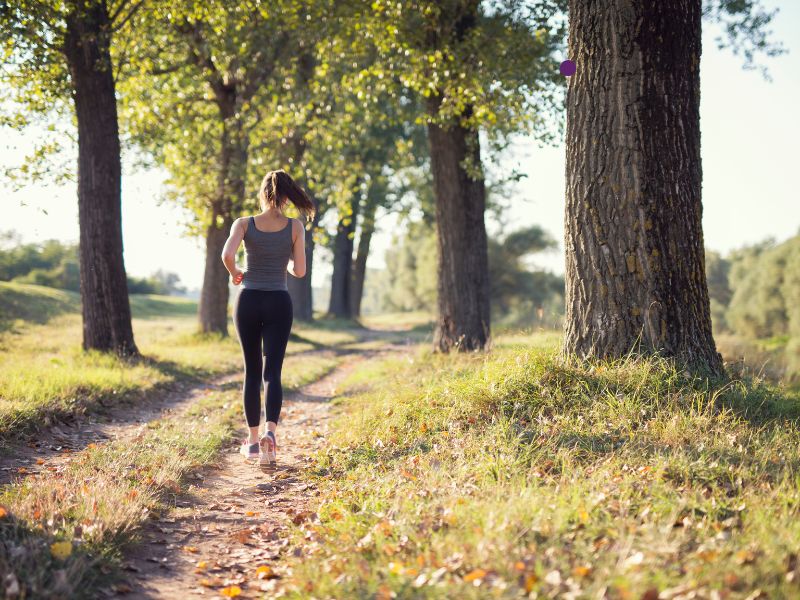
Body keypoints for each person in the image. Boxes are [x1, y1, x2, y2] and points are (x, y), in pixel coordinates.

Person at [220, 169, 315, 466]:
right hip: (278, 301)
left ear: (263, 193)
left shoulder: (244, 224)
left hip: (248, 299)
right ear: (287, 197)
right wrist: (282, 261)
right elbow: (299, 271)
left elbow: (227, 255)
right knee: (272, 372)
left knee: (252, 370)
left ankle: (250, 442)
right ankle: (270, 435)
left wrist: (237, 273)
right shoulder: (295, 227)